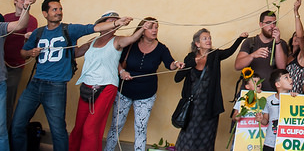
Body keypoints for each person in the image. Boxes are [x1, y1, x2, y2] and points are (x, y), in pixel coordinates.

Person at [11, 0, 134, 151]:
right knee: (17, 125)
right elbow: (23, 53)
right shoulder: (38, 32)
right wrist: (30, 52)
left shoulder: (69, 29)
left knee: (58, 130)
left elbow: (93, 28)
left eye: (60, 9)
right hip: (35, 84)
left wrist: (117, 23)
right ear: (45, 13)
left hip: (56, 86)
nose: (59, 12)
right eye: (54, 9)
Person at [68, 12, 151, 151]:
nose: (114, 23)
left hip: (106, 87)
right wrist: (71, 37)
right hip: (87, 85)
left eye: (116, 21)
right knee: (79, 127)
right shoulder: (93, 41)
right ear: (101, 24)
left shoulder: (118, 40)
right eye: (111, 20)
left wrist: (143, 28)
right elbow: (75, 54)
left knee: (90, 128)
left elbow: (131, 39)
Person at [104, 17, 185, 151]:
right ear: (142, 29)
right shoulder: (130, 44)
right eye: (151, 27)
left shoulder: (161, 49)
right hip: (124, 92)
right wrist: (122, 71)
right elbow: (116, 60)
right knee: (116, 126)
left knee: (140, 128)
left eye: (156, 27)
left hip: (146, 95)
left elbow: (170, 64)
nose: (154, 30)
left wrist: (176, 64)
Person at [174, 28, 248, 150]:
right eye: (205, 38)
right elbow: (177, 78)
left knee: (207, 138)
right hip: (193, 107)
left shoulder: (215, 55)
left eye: (209, 38)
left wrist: (240, 38)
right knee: (189, 136)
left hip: (209, 106)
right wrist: (191, 63)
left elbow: (229, 51)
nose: (208, 40)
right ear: (197, 44)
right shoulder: (190, 57)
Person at [0, 0, 36, 149]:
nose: (22, 1)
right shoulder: (5, 17)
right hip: (5, 65)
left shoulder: (1, 25)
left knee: (1, 125)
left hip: (8, 70)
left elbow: (20, 25)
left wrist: (26, 7)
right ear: (14, 1)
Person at [234, 10, 288, 91]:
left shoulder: (281, 43)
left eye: (274, 23)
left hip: (272, 94)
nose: (272, 26)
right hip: (251, 93)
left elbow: (282, 67)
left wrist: (277, 42)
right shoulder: (250, 42)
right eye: (269, 23)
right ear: (260, 24)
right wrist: (253, 55)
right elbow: (237, 66)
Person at [256, 69, 296, 151]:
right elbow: (265, 121)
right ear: (277, 84)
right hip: (270, 142)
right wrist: (260, 119)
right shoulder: (269, 100)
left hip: (288, 143)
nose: (291, 79)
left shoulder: (294, 98)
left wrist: (297, 99)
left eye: (290, 77)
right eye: (286, 78)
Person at [286, 0, 304, 93]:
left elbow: (300, 37)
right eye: (294, 35)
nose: (297, 37)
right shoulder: (288, 55)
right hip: (283, 97)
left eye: (298, 35)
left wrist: (296, 12)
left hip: (296, 98)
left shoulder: (303, 56)